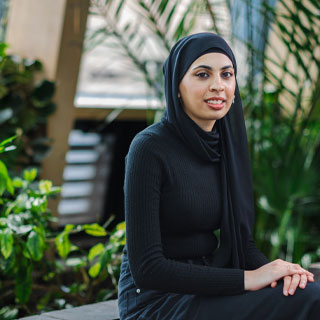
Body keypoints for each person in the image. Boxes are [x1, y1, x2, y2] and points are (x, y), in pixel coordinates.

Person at [117, 32, 320, 319]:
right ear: (176, 86)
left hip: (210, 284)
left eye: (227, 74)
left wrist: (281, 274)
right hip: (158, 301)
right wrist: (249, 279)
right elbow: (148, 269)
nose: (218, 86)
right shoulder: (149, 148)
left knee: (308, 294)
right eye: (202, 74)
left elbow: (242, 242)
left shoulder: (226, 146)